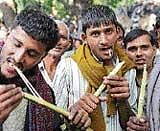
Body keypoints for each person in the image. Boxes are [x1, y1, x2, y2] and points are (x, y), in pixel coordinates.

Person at [52, 5, 138, 131]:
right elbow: (54, 120)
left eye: (108, 31)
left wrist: (122, 101)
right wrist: (73, 115)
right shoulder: (68, 66)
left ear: (117, 32)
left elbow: (130, 123)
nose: (104, 40)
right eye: (95, 34)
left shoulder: (127, 67)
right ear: (84, 38)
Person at [123, 28, 158, 130]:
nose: (138, 53)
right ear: (125, 52)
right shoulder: (122, 79)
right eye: (132, 49)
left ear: (154, 49)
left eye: (144, 48)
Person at [38, 20, 71, 86]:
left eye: (63, 38)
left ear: (69, 44)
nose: (57, 42)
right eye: (53, 36)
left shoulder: (71, 69)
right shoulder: (32, 66)